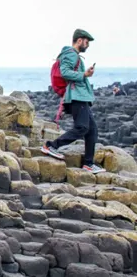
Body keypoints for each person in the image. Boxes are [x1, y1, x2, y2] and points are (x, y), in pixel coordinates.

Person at [41, 30, 104, 173]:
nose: (87, 45)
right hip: (77, 97)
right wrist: (84, 74)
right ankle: (51, 146)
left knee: (92, 130)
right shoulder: (70, 54)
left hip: (81, 96)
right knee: (82, 127)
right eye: (86, 42)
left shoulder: (75, 56)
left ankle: (88, 163)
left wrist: (85, 74)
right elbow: (65, 72)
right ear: (79, 40)